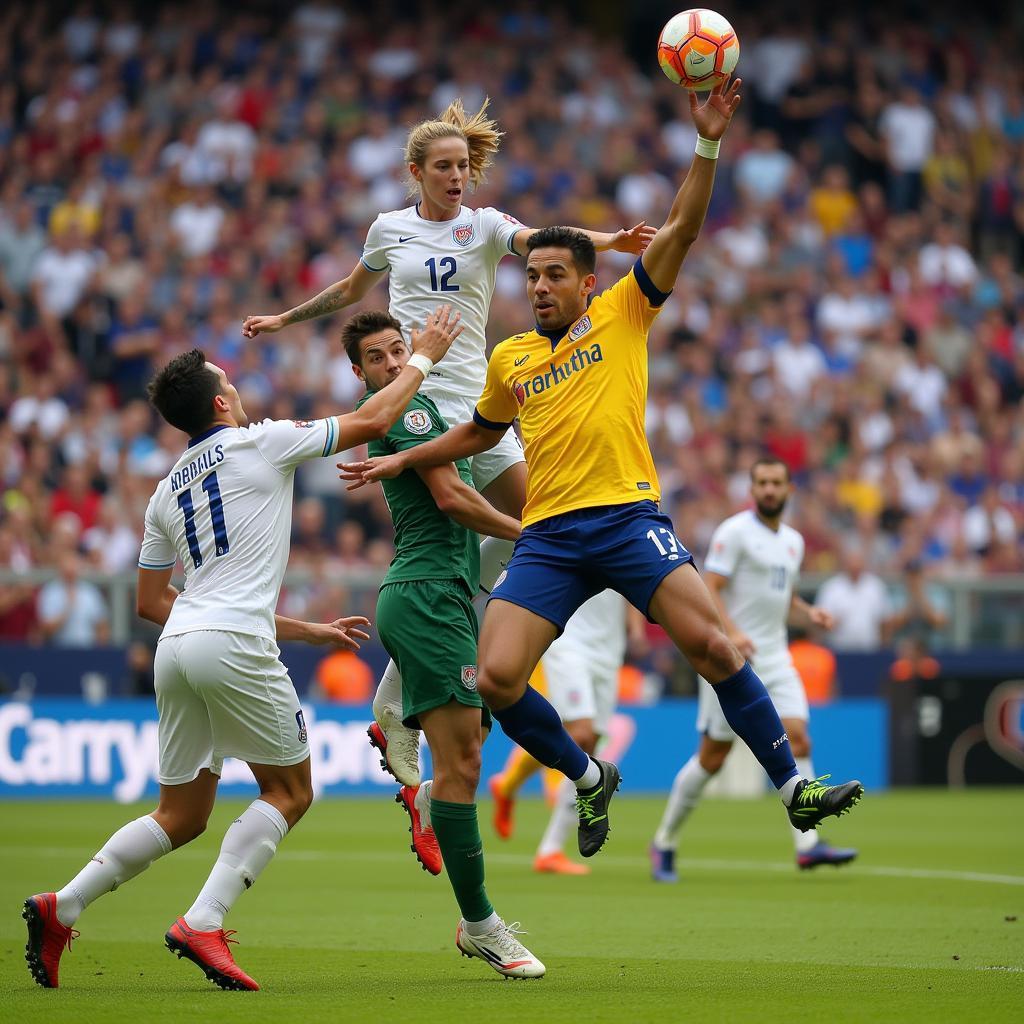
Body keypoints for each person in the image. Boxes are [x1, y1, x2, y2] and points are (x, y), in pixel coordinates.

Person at [342, 79, 864, 866]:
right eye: (533, 276)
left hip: (626, 519)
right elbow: (475, 436)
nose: (541, 286)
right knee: (496, 679)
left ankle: (796, 792)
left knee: (718, 650)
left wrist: (708, 142)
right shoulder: (509, 358)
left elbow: (683, 227)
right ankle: (589, 776)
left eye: (556, 275)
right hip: (550, 536)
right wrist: (404, 457)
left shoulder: (624, 313)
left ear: (588, 282)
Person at [22, 307, 461, 992]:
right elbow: (374, 426)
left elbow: (150, 602)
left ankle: (64, 904)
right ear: (224, 400)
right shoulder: (263, 441)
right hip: (229, 644)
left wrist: (300, 630)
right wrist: (424, 358)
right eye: (231, 381)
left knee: (181, 814)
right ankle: (204, 919)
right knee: (290, 790)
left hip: (179, 647)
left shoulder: (165, 491)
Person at [242, 99, 653, 789]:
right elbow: (351, 287)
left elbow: (546, 240)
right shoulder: (389, 229)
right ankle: (410, 698)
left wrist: (609, 243)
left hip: (485, 407)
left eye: (464, 165)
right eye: (444, 167)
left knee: (538, 524)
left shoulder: (486, 227)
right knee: (457, 524)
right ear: (416, 172)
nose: (458, 176)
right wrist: (286, 317)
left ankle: (412, 689)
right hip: (422, 397)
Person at [342, 310, 543, 978]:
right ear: (360, 373)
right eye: (377, 357)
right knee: (463, 766)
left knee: (468, 755)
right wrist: (529, 534)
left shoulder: (415, 407)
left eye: (400, 349)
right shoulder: (407, 413)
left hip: (443, 595)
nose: (395, 362)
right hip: (426, 594)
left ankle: (416, 768)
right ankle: (481, 925)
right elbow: (454, 499)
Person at [650, 458, 858, 881]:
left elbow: (780, 593)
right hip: (730, 658)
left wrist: (806, 611)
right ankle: (665, 841)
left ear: (789, 489)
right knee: (712, 757)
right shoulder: (734, 533)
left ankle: (808, 845)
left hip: (778, 657)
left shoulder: (793, 542)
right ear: (752, 488)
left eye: (775, 482)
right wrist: (733, 632)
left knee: (799, 736)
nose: (768, 489)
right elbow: (710, 589)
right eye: (761, 482)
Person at [488, 589, 632, 876]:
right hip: (569, 641)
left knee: (588, 744)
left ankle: (509, 786)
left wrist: (636, 624)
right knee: (581, 735)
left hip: (610, 649)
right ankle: (550, 849)